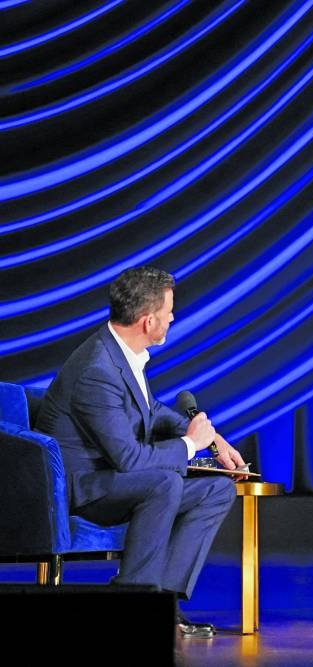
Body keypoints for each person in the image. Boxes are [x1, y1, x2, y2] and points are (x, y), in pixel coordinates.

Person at [35, 266, 247, 639]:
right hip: (81, 487)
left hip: (112, 479)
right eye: (168, 312)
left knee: (217, 489)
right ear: (148, 321)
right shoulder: (97, 370)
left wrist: (214, 441)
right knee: (163, 482)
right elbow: (130, 459)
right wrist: (190, 445)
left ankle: (163, 602)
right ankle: (134, 598)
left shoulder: (121, 353)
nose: (173, 318)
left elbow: (150, 413)